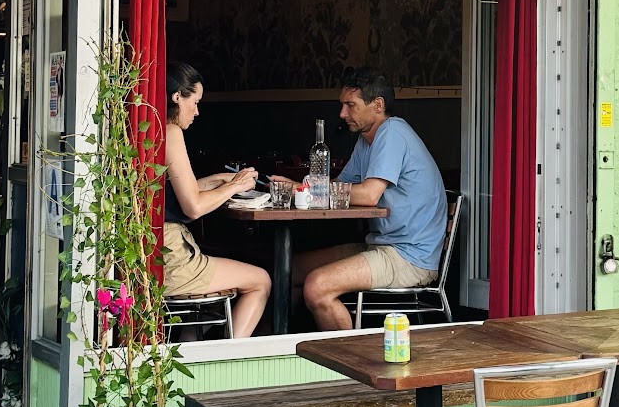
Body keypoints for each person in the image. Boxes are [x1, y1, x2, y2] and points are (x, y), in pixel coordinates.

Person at [290, 68, 448, 331]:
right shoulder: (366, 140)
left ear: (378, 105)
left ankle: (350, 357)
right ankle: (286, 346)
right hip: (381, 245)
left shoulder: (392, 133)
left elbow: (368, 195)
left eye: (350, 105)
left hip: (409, 257)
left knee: (317, 286)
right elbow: (340, 186)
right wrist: (300, 187)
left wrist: (306, 189)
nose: (342, 114)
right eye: (342, 105)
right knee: (292, 269)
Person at [161, 62, 273, 338]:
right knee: (261, 281)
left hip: (157, 253)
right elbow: (193, 206)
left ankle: (197, 351)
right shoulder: (171, 132)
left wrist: (219, 180)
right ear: (177, 97)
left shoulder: (151, 128)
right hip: (172, 258)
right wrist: (234, 186)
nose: (197, 111)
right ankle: (228, 358)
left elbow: (174, 191)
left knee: (205, 305)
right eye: (195, 102)